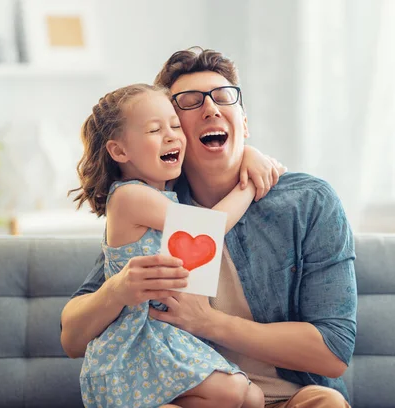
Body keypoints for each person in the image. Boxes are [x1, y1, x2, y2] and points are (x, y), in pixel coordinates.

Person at [61, 47, 357, 408]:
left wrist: (207, 322)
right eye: (188, 103)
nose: (211, 109)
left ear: (244, 124)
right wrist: (119, 288)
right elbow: (73, 337)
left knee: (325, 403)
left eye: (223, 98)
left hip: (288, 396)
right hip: (193, 397)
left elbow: (333, 352)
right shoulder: (154, 205)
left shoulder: (308, 202)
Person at [68, 82, 285, 407]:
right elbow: (208, 227)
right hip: (137, 342)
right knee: (235, 393)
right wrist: (251, 184)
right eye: (155, 130)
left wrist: (246, 153)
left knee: (252, 397)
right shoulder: (128, 197)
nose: (172, 136)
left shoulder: (163, 194)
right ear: (119, 151)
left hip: (170, 336)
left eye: (174, 126)